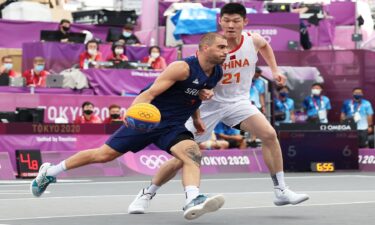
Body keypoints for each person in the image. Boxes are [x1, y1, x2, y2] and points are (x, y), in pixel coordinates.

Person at [128, 3, 309, 215]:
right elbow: (194, 74)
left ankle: (280, 190)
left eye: (236, 21)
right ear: (220, 21)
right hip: (206, 107)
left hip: (238, 103)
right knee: (183, 157)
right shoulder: (212, 46)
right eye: (227, 20)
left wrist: (275, 70)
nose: (231, 25)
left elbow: (265, 47)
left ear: (245, 22)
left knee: (269, 134)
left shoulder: (253, 40)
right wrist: (201, 92)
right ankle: (147, 194)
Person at [30, 32, 228, 220]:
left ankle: (192, 199)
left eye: (226, 47)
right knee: (103, 155)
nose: (225, 51)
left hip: (173, 126)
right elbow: (148, 94)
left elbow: (194, 94)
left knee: (192, 153)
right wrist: (133, 112)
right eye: (221, 47)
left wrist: (196, 118)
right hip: (148, 119)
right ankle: (50, 172)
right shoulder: (182, 68)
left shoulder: (216, 72)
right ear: (204, 48)